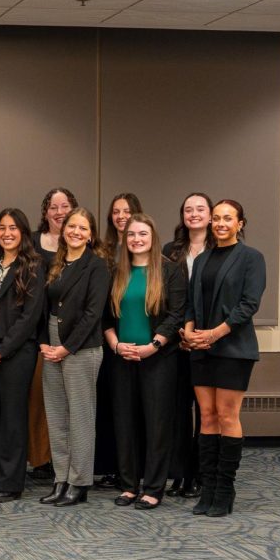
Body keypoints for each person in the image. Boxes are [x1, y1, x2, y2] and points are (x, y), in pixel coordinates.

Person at [183, 199, 265, 517]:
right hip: (200, 348)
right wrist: (189, 332)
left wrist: (215, 333)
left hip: (234, 348)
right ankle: (208, 489)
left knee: (227, 416)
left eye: (227, 218)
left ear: (240, 223)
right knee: (206, 417)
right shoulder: (203, 259)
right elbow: (192, 303)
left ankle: (225, 490)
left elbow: (249, 304)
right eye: (216, 218)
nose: (220, 223)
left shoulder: (251, 258)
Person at [103, 213, 185, 510]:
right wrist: (115, 344)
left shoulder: (170, 270)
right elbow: (106, 317)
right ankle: (128, 485)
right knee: (125, 424)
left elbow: (176, 314)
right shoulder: (116, 271)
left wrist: (154, 345)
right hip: (121, 358)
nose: (137, 239)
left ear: (153, 238)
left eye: (143, 234)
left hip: (158, 359)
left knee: (156, 425)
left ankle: (152, 488)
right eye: (132, 235)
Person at [0, 209, 46, 503]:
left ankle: (10, 482)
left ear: (23, 232)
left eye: (13, 228)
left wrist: (2, 350)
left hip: (16, 352)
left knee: (12, 418)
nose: (7, 233)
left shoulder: (34, 266)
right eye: (2, 228)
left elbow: (29, 317)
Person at [39, 207, 110, 507]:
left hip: (81, 347)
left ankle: (79, 483)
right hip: (52, 344)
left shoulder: (97, 266)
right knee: (56, 416)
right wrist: (45, 343)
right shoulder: (56, 264)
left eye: (83, 228)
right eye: (71, 227)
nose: (76, 232)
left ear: (91, 234)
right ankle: (61, 478)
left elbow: (94, 314)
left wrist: (66, 348)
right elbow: (44, 307)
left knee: (80, 417)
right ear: (63, 230)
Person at [162, 192, 214, 498]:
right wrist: (180, 333)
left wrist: (200, 335)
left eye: (200, 209)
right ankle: (180, 474)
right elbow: (168, 297)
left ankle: (202, 473)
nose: (194, 214)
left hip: (209, 342)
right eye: (188, 209)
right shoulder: (171, 250)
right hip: (176, 342)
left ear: (210, 215)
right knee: (179, 412)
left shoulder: (220, 250)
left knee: (207, 414)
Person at [27, 187, 78, 483]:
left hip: (72, 334)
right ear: (45, 212)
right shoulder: (33, 243)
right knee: (38, 399)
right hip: (36, 333)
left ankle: (71, 460)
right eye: (53, 207)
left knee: (71, 401)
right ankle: (40, 459)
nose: (59, 212)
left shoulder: (81, 243)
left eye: (65, 206)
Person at [95, 193, 143, 491]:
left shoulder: (144, 248)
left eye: (127, 211)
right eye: (116, 212)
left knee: (136, 410)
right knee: (111, 408)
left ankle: (137, 468)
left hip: (140, 343)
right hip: (106, 341)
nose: (121, 216)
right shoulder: (104, 251)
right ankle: (114, 467)